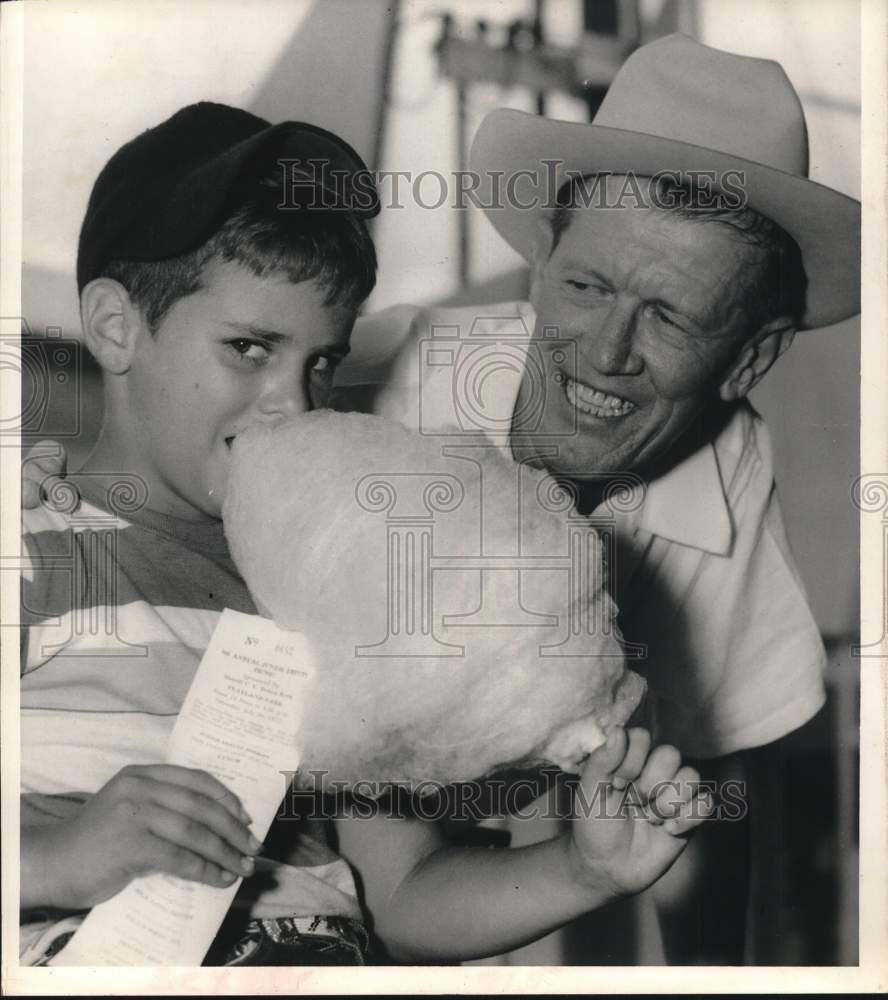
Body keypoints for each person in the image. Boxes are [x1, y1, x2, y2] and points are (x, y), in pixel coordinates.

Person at [18, 101, 711, 967]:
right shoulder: (31, 543)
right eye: (248, 347)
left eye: (321, 361)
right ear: (117, 326)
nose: (293, 402)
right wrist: (51, 855)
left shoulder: (326, 586)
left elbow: (404, 890)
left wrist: (585, 869)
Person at [334, 34, 861, 962]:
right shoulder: (378, 382)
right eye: (586, 286)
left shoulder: (727, 466)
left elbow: (703, 802)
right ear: (542, 264)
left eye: (668, 315)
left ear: (751, 357)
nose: (607, 352)